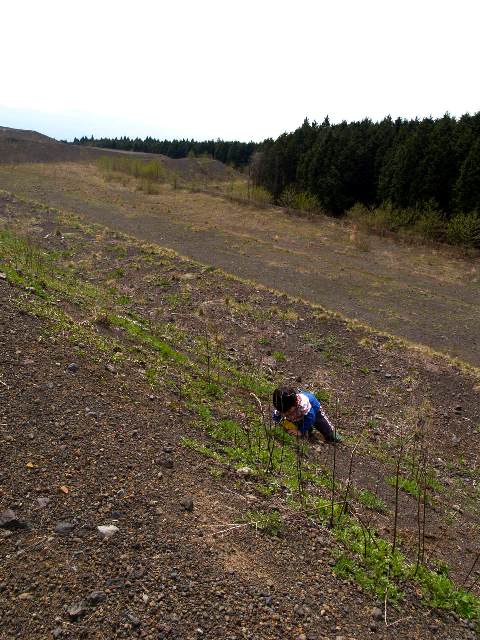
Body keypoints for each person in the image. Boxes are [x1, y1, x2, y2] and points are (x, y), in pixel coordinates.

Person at [272, 386, 341, 443]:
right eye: (283, 412)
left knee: (322, 425)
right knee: (298, 423)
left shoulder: (303, 404)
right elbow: (276, 416)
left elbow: (311, 418)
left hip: (314, 411)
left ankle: (332, 434)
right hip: (298, 414)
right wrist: (279, 422)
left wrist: (300, 431)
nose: (286, 413)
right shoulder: (282, 407)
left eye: (288, 411)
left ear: (295, 403)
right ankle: (307, 429)